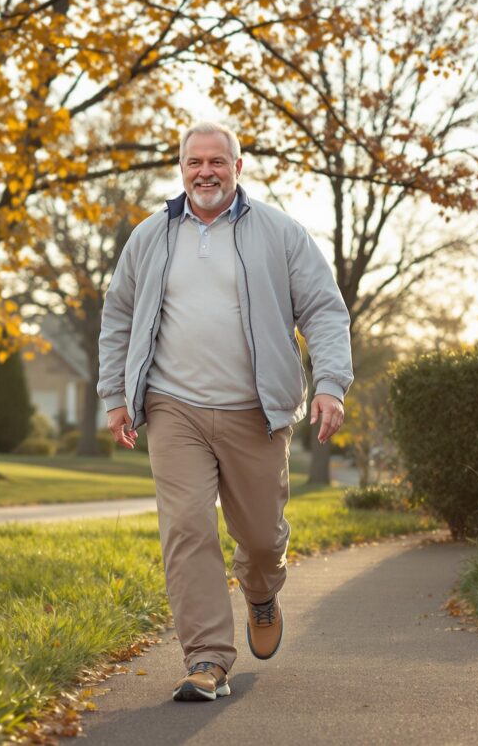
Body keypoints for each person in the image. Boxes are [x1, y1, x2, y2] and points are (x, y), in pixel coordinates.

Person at [98, 121, 353, 702]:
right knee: (187, 528)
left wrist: (330, 384)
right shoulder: (150, 236)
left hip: (255, 411)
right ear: (181, 168)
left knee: (260, 539)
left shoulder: (280, 233)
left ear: (238, 167)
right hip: (173, 407)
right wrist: (116, 396)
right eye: (194, 162)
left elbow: (324, 310)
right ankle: (206, 660)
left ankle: (261, 592)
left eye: (217, 161)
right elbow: (118, 317)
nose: (205, 172)